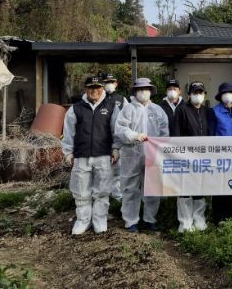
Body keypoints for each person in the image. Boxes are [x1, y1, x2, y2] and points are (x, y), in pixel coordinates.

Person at [62, 76, 120, 235]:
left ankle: (100, 220)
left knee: (102, 191)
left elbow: (116, 130)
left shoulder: (111, 107)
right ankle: (83, 220)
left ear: (102, 88)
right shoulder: (75, 109)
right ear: (85, 89)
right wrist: (68, 152)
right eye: (91, 88)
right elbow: (68, 132)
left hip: (103, 155)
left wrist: (115, 148)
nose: (94, 91)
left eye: (97, 88)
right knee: (81, 191)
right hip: (82, 156)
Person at [115, 78, 169, 232]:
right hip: (132, 153)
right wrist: (134, 135)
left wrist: (161, 150)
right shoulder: (127, 109)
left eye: (146, 89)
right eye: (140, 90)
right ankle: (130, 221)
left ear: (151, 91)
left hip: (153, 155)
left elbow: (164, 133)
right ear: (135, 92)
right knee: (130, 188)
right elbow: (120, 128)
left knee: (153, 187)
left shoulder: (158, 110)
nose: (143, 92)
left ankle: (150, 219)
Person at [173, 81, 209, 232]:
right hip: (186, 157)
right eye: (195, 92)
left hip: (202, 157)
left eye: (200, 92)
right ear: (189, 95)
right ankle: (185, 223)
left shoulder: (207, 111)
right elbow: (176, 134)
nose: (198, 95)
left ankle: (199, 221)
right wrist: (180, 155)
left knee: (199, 189)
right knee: (185, 190)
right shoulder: (182, 110)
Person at [208, 82, 232, 224]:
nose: (227, 96)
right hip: (219, 155)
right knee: (219, 185)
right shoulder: (214, 111)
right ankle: (218, 216)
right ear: (220, 96)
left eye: (229, 93)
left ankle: (230, 214)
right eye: (224, 93)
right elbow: (211, 134)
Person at [101, 72, 127, 200]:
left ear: (116, 83)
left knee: (118, 170)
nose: (109, 84)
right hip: (101, 141)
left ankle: (117, 197)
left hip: (118, 141)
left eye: (111, 82)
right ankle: (103, 196)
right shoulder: (99, 98)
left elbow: (127, 120)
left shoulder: (122, 99)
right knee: (102, 171)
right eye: (106, 82)